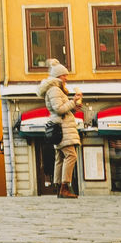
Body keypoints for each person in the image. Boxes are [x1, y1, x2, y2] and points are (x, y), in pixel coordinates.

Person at [39, 59, 83, 199]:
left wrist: (74, 107)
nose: (66, 78)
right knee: (71, 155)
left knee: (60, 157)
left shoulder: (56, 90)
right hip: (63, 127)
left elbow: (63, 109)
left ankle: (59, 187)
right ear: (58, 76)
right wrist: (73, 102)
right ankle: (65, 186)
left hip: (62, 126)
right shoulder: (54, 90)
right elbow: (59, 109)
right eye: (64, 75)